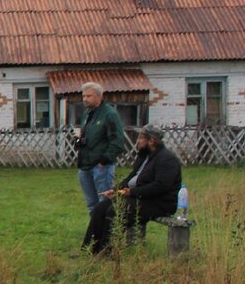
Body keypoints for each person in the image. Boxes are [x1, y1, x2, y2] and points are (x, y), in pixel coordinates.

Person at [83, 126, 181, 255]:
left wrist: (132, 192)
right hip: (139, 198)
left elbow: (161, 186)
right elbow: (131, 178)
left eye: (141, 138)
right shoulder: (144, 156)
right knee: (100, 208)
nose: (137, 141)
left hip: (159, 203)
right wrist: (115, 190)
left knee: (116, 210)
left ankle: (106, 251)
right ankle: (90, 250)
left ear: (151, 141)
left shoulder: (167, 159)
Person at [76, 82, 126, 213]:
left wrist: (103, 160)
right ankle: (95, 230)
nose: (85, 99)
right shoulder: (87, 114)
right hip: (85, 164)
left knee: (105, 202)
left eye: (89, 96)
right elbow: (87, 135)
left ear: (99, 96)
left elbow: (117, 140)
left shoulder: (109, 114)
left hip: (101, 166)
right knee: (91, 203)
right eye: (84, 96)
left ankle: (107, 230)